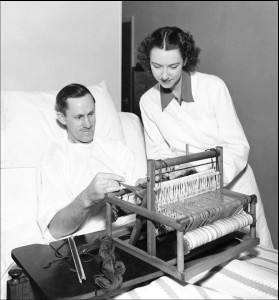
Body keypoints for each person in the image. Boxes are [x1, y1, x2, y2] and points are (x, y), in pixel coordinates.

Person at [137, 26, 273, 248]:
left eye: (173, 66)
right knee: (211, 257)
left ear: (186, 59)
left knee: (255, 254)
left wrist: (203, 176)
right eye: (156, 66)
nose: (164, 75)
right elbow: (158, 153)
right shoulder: (148, 102)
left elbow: (237, 146)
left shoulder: (213, 87)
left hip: (235, 186)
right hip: (192, 196)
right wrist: (168, 174)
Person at [37, 83, 138, 240]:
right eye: (79, 117)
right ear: (62, 118)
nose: (88, 124)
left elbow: (138, 202)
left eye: (91, 114)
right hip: (86, 244)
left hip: (130, 234)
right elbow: (56, 229)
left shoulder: (117, 149)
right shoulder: (55, 159)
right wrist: (87, 198)